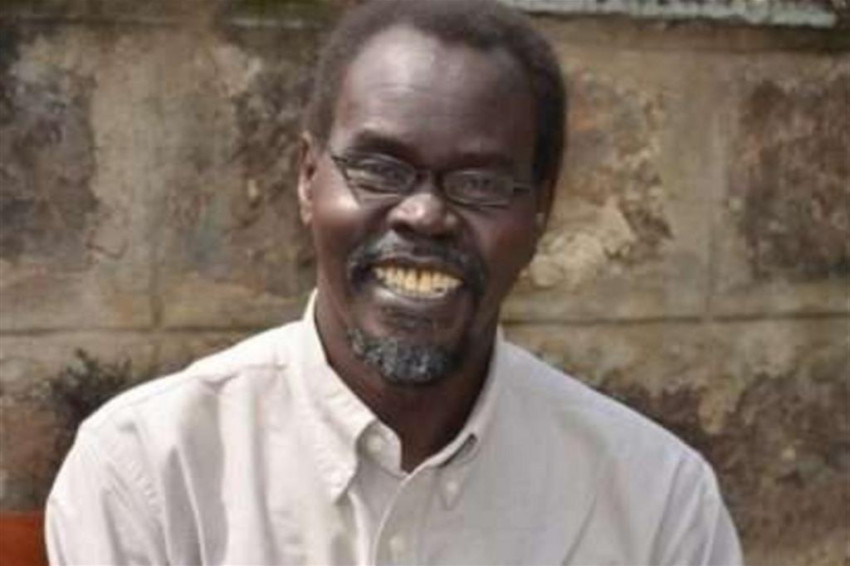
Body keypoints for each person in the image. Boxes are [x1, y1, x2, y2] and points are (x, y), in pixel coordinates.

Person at [45, 1, 742, 564]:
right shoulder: (149, 469)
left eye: (480, 181)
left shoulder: (656, 502)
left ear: (540, 212)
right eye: (380, 169)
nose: (425, 215)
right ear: (308, 178)